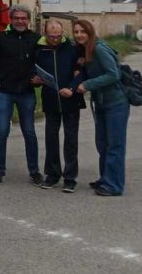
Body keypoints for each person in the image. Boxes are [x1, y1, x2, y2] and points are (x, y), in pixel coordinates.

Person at [0, 4, 41, 185]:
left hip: (26, 93)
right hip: (4, 92)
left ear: (29, 20)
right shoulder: (1, 38)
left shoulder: (37, 39)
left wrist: (40, 79)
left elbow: (44, 63)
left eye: (24, 18)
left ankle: (34, 171)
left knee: (29, 132)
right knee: (1, 131)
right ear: (11, 19)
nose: (20, 21)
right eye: (17, 18)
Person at [72, 19, 130, 196]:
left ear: (90, 33)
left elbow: (114, 74)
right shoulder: (87, 50)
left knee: (114, 145)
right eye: (76, 32)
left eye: (83, 31)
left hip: (116, 102)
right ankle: (106, 178)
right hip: (102, 102)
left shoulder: (98, 48)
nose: (79, 35)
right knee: (102, 143)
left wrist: (87, 84)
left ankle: (114, 185)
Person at [35, 19, 85, 193]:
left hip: (71, 100)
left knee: (71, 140)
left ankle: (70, 178)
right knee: (51, 139)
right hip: (50, 100)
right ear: (45, 33)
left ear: (62, 33)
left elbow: (80, 73)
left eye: (58, 36)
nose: (55, 39)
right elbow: (33, 73)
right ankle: (52, 175)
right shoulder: (39, 49)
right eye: (51, 36)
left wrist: (71, 88)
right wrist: (34, 81)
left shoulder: (72, 48)